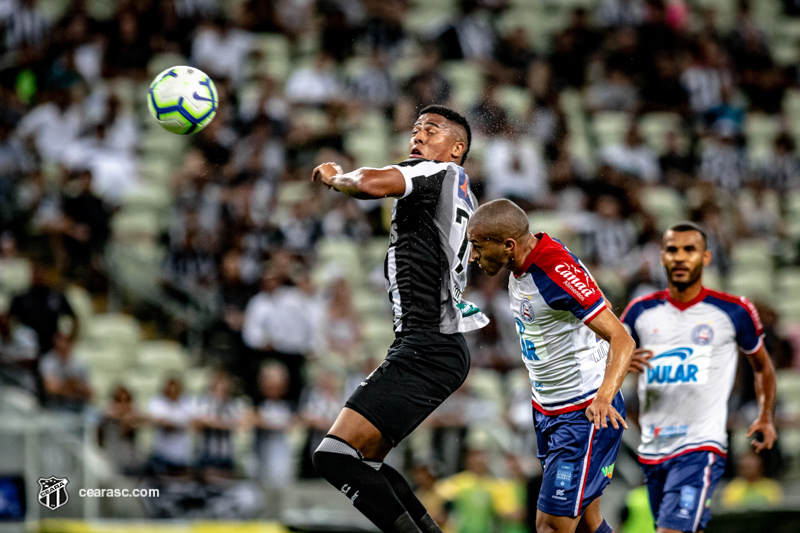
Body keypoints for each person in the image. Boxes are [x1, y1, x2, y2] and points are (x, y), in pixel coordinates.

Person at [309, 105, 487, 533]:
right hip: (435, 344)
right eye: (416, 129)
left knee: (333, 456)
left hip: (428, 343)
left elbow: (369, 183)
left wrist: (335, 176)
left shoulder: (435, 173)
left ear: (456, 149)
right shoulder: (461, 192)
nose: (419, 135)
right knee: (363, 460)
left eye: (433, 129)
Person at [466, 198, 635, 533]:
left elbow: (622, 339)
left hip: (583, 412)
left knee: (551, 525)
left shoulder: (551, 272)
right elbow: (595, 300)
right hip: (550, 410)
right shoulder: (529, 258)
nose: (472, 256)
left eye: (477, 246)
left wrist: (603, 396)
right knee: (588, 522)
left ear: (508, 245)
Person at [620, 221, 777, 533]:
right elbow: (610, 359)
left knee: (671, 530)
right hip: (654, 447)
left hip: (700, 446)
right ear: (662, 257)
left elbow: (762, 365)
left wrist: (766, 415)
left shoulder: (733, 311)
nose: (680, 257)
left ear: (705, 257)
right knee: (684, 528)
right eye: (672, 250)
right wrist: (622, 364)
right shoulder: (640, 311)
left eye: (689, 250)